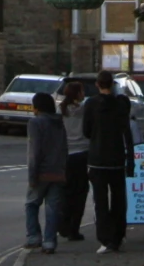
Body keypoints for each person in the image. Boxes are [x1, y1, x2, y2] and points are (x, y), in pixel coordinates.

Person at [80, 70, 135, 252]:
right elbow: (126, 130)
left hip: (97, 157)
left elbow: (86, 131)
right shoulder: (121, 104)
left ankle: (104, 238)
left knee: (100, 200)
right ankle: (118, 236)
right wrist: (130, 160)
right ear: (112, 84)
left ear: (97, 84)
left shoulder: (90, 104)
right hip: (117, 157)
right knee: (119, 199)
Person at [23, 92, 67, 255]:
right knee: (52, 208)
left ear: (37, 107)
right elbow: (64, 148)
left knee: (31, 204)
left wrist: (32, 176)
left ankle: (34, 237)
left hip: (41, 172)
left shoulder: (35, 123)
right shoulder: (59, 122)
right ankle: (49, 242)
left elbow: (34, 151)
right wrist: (63, 169)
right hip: (57, 171)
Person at [57, 79, 90, 242]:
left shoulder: (60, 110)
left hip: (66, 155)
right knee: (80, 194)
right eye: (82, 91)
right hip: (82, 154)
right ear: (78, 94)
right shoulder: (85, 110)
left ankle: (63, 222)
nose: (84, 94)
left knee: (66, 192)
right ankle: (74, 229)